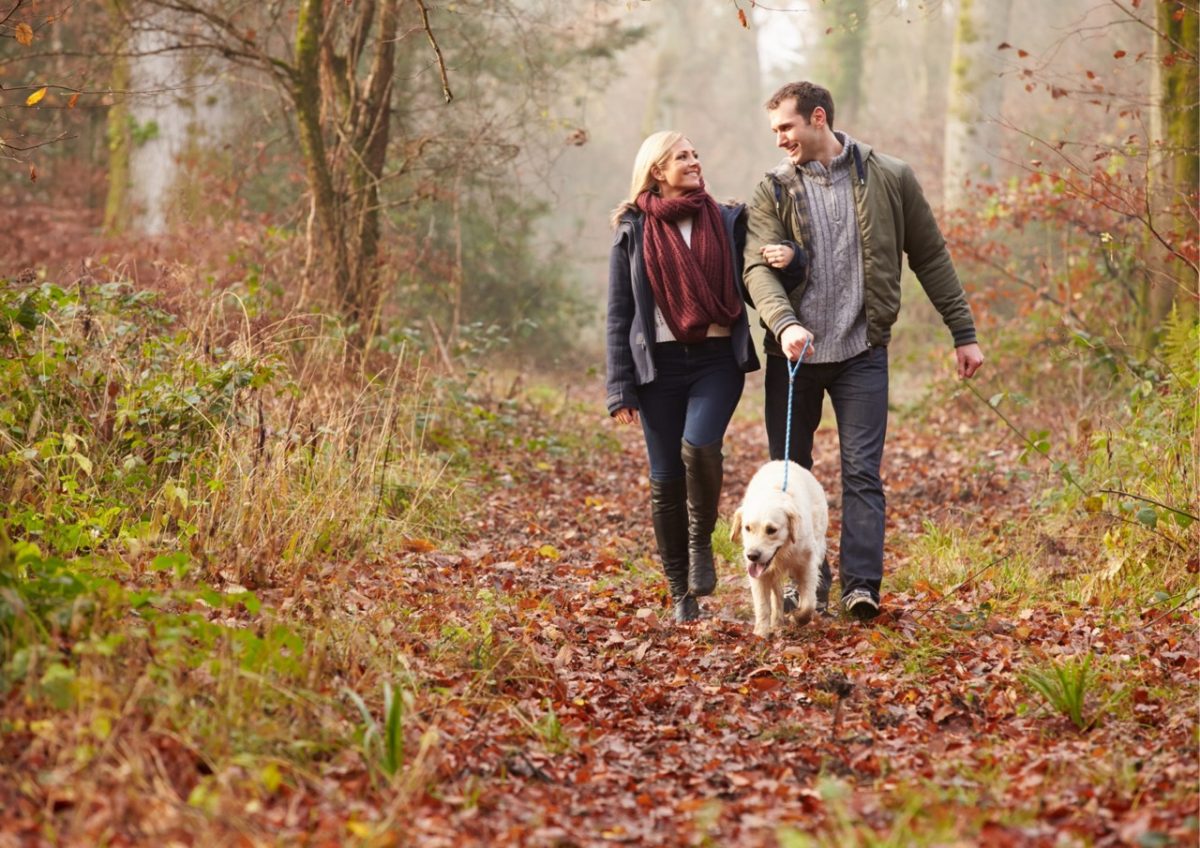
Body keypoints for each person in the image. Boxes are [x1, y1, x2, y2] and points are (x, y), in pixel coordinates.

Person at [743, 81, 984, 621]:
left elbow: (931, 256)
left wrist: (962, 331)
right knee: (789, 478)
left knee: (862, 474)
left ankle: (860, 588)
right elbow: (757, 269)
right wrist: (784, 324)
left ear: (818, 118)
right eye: (775, 130)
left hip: (862, 353)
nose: (780, 139)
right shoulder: (772, 190)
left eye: (786, 127)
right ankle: (799, 587)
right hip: (793, 357)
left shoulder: (890, 177)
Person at [606, 130, 761, 623]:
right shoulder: (633, 229)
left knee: (699, 445)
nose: (695, 162)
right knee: (665, 479)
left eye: (695, 154)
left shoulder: (726, 218)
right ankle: (680, 593)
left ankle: (701, 541)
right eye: (683, 156)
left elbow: (758, 278)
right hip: (658, 369)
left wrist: (788, 261)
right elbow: (619, 313)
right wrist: (620, 387)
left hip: (716, 360)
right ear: (658, 170)